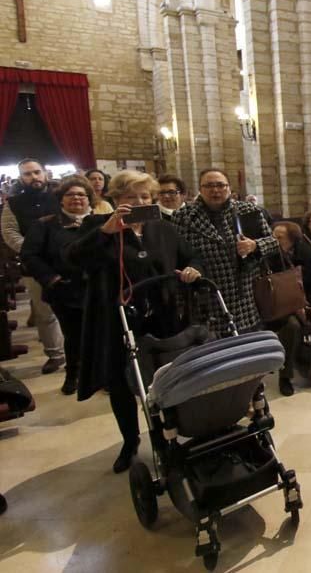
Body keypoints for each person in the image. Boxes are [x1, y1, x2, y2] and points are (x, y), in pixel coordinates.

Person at [64, 170, 202, 473]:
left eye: (144, 196)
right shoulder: (97, 225)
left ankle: (167, 435)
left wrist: (192, 269)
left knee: (163, 378)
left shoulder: (162, 229)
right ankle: (130, 441)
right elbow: (73, 259)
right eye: (130, 197)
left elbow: (190, 256)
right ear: (115, 199)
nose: (138, 202)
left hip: (161, 319)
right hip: (117, 321)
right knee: (122, 383)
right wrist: (107, 232)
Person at [172, 169, 278, 335]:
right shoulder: (183, 217)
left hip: (245, 296)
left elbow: (274, 243)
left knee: (247, 347)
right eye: (209, 186)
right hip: (207, 295)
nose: (215, 190)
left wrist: (254, 245)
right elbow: (178, 254)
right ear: (200, 189)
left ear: (229, 188)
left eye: (220, 185)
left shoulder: (248, 210)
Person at [20, 176, 95, 395]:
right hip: (66, 291)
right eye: (70, 194)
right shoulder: (46, 224)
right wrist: (52, 279)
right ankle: (73, 375)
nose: (76, 199)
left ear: (89, 199)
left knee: (99, 335)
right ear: (61, 200)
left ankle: (100, 375)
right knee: (74, 336)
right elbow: (29, 255)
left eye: (81, 195)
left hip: (98, 290)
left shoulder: (100, 222)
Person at [1, 158, 65, 374]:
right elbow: (9, 232)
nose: (34, 177)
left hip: (65, 260)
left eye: (37, 172)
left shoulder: (60, 196)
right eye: (28, 174)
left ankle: (78, 351)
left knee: (74, 308)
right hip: (34, 265)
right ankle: (55, 354)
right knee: (44, 312)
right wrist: (32, 251)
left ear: (45, 174)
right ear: (21, 178)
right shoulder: (14, 203)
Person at [267, 221, 311, 396]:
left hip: (306, 302)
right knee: (292, 327)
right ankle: (285, 376)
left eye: (279, 237)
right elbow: (275, 291)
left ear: (291, 239)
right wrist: (296, 308)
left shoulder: (305, 255)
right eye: (273, 236)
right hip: (281, 308)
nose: (274, 240)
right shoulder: (269, 258)